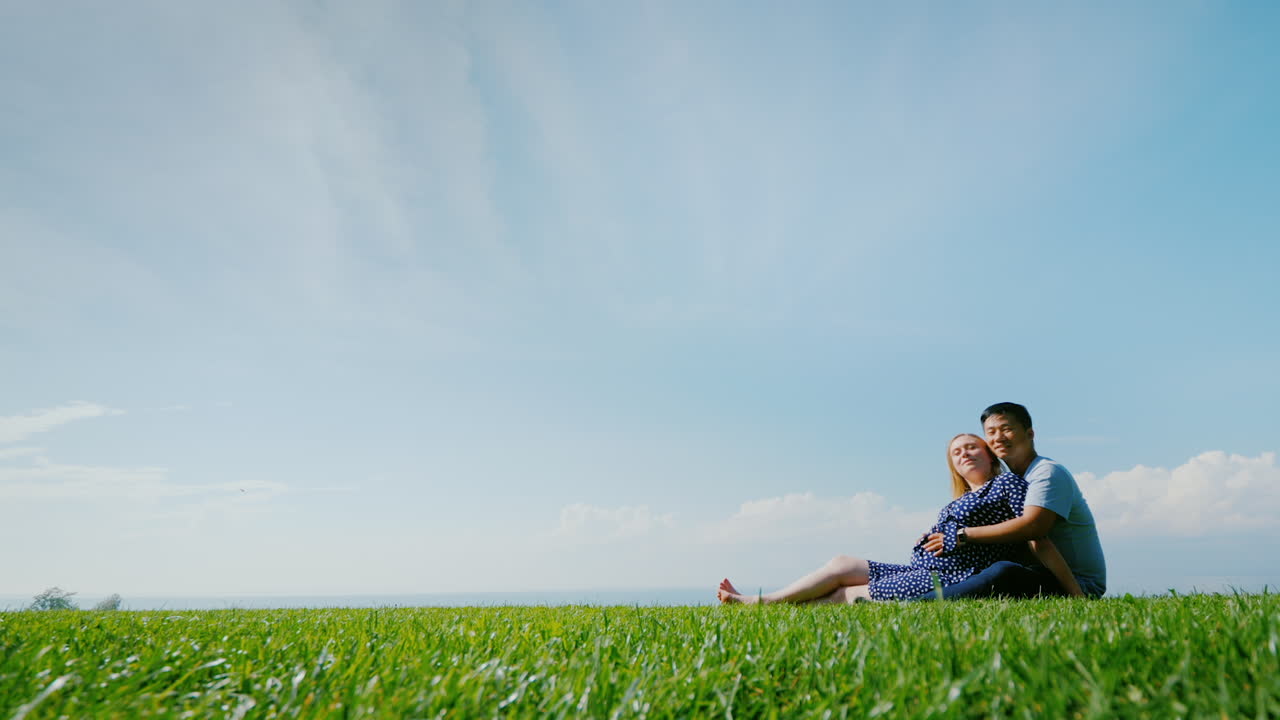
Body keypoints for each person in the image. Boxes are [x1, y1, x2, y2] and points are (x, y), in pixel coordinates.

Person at [716, 433, 1083, 604]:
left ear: (989, 454)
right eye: (956, 452)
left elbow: (1032, 535)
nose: (964, 454)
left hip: (951, 576)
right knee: (842, 562)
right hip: (921, 568)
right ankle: (773, 600)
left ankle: (762, 606)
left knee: (847, 593)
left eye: (972, 446)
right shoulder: (961, 498)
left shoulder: (1006, 485)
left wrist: (1075, 596)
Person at [912, 402, 1107, 600]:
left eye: (1007, 429)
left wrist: (962, 535)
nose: (998, 438)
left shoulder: (1046, 473)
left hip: (1074, 582)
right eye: (991, 432)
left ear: (1030, 434)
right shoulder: (1012, 482)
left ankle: (916, 603)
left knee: (1004, 572)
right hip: (1038, 572)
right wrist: (938, 535)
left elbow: (1034, 528)